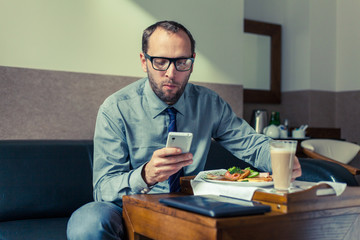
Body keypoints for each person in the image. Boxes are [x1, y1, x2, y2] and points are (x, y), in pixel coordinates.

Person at [67, 20, 302, 240]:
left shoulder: (209, 103)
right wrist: (145, 174)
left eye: (181, 62)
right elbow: (103, 188)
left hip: (189, 204)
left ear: (192, 62)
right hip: (127, 206)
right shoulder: (116, 108)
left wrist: (280, 157)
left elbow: (251, 144)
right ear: (143, 61)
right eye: (160, 61)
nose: (171, 73)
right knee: (87, 222)